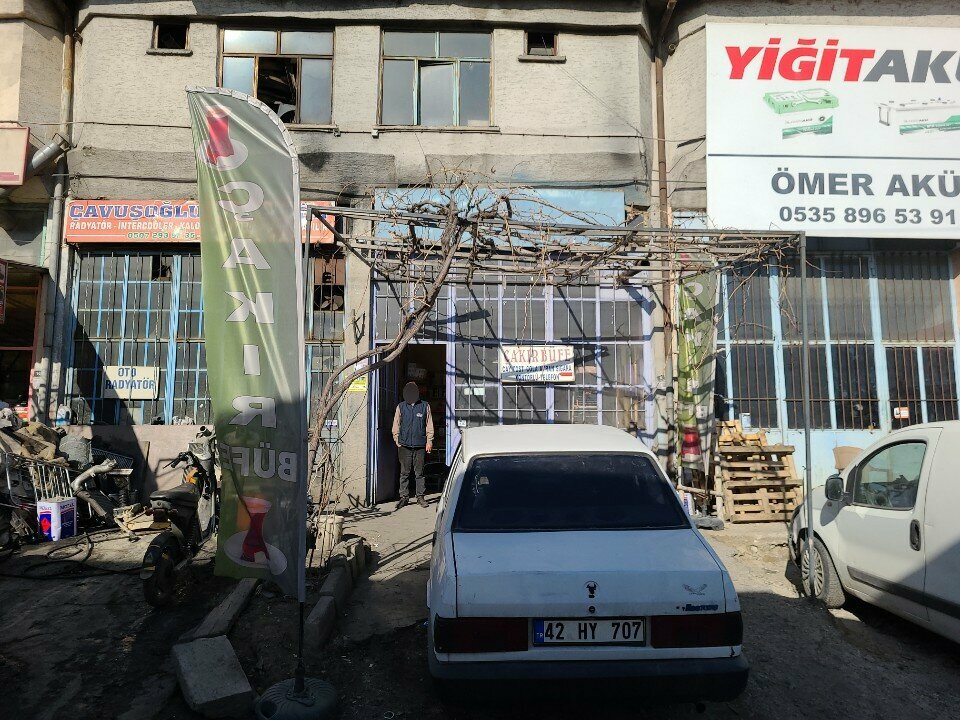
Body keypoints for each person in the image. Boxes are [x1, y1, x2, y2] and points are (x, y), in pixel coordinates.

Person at [392, 381, 434, 510]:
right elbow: (396, 424)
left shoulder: (425, 406)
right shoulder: (401, 406)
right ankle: (404, 497)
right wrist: (397, 439)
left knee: (419, 473)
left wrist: (429, 441)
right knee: (404, 472)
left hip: (420, 445)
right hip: (404, 445)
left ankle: (420, 496)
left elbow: (429, 424)